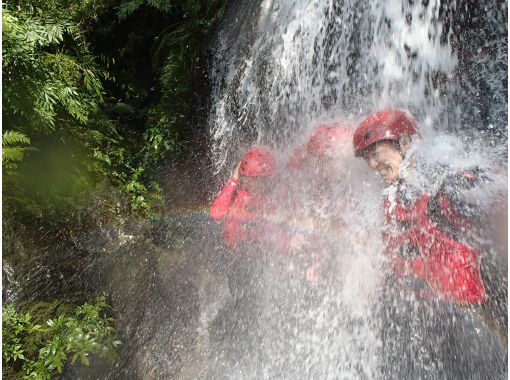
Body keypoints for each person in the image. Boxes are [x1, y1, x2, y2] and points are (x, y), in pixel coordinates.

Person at [352, 109, 507, 344]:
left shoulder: (445, 180)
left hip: (490, 294)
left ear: (403, 143)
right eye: (366, 157)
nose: (372, 164)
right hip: (459, 310)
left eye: (375, 152)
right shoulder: (396, 197)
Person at [210, 146, 276, 250]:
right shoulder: (238, 194)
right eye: (244, 177)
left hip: (254, 251)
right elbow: (215, 214)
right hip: (230, 251)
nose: (245, 181)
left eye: (251, 178)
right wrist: (234, 180)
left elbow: (274, 231)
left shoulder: (270, 200)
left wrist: (288, 242)